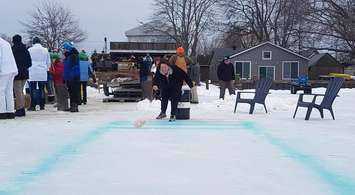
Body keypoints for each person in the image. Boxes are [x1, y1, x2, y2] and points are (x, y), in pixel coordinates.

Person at [28, 37, 51, 111]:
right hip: (42, 72)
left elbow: (27, 61)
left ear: (33, 43)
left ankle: (33, 105)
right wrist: (46, 69)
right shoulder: (45, 50)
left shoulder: (30, 50)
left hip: (32, 71)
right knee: (42, 89)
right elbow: (48, 62)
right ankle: (42, 105)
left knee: (33, 89)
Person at [11, 35, 32, 117]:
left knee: (18, 92)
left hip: (16, 73)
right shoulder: (25, 49)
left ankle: (20, 109)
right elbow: (30, 63)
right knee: (21, 91)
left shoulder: (13, 50)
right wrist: (24, 67)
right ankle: (22, 108)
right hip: (25, 73)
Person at [0, 37, 18, 119]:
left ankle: (2, 112)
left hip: (3, 69)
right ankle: (10, 111)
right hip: (12, 69)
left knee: (1, 90)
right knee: (9, 91)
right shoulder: (6, 43)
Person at [63, 42, 80, 112]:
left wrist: (71, 77)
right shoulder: (68, 56)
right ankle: (72, 105)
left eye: (64, 48)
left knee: (74, 92)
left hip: (73, 77)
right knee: (71, 92)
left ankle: (75, 106)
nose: (63, 50)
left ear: (68, 48)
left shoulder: (73, 56)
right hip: (69, 77)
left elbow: (74, 67)